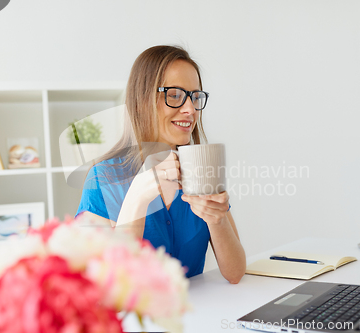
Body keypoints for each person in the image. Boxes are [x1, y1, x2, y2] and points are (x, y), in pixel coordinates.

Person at [76, 45, 246, 283]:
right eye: (175, 95)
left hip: (194, 315)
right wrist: (136, 199)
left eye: (195, 97)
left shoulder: (201, 172)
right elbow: (104, 287)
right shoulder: (103, 179)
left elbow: (235, 273)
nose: (190, 110)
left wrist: (217, 221)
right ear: (141, 101)